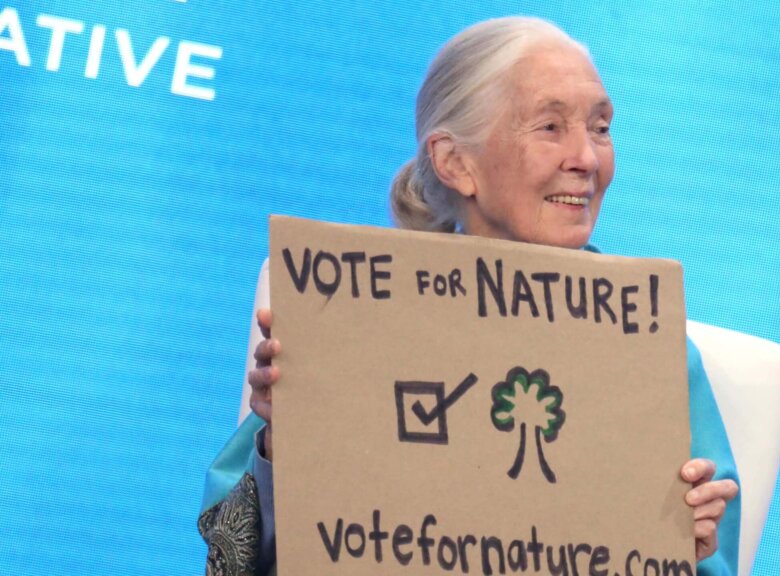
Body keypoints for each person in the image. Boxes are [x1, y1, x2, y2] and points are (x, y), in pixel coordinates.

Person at [199, 16, 740, 576]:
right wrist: (287, 447)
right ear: (455, 162)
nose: (587, 158)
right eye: (551, 127)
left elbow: (708, 560)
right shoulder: (358, 315)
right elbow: (233, 561)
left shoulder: (646, 344)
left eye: (601, 128)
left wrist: (685, 544)